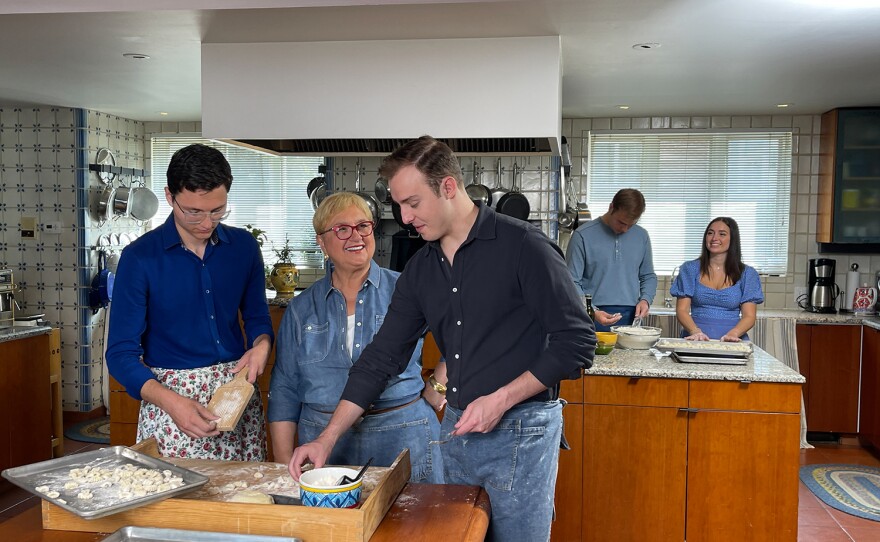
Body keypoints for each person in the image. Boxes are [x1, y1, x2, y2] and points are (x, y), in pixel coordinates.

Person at [288, 136, 595, 542]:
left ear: (448, 187)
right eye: (398, 205)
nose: (404, 216)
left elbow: (576, 344)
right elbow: (382, 357)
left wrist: (500, 399)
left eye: (412, 203)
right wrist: (326, 439)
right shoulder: (421, 270)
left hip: (521, 429)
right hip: (458, 428)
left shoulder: (525, 247)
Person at [106, 143, 274, 460]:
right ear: (170, 197)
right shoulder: (140, 258)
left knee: (244, 502)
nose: (207, 223)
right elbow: (120, 354)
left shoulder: (243, 247)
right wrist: (172, 402)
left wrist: (262, 344)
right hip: (172, 406)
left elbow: (257, 319)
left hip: (236, 400)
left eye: (217, 210)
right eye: (193, 211)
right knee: (179, 507)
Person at [268, 192, 444, 483]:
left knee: (416, 527)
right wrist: (283, 464)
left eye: (363, 226)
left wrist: (439, 385)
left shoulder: (407, 288)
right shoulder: (302, 308)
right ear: (321, 242)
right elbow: (285, 387)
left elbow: (462, 335)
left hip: (404, 435)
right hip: (325, 444)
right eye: (342, 229)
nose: (357, 236)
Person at [565, 188, 657, 331]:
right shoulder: (582, 235)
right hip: (591, 315)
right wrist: (592, 310)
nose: (625, 229)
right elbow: (570, 281)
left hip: (630, 317)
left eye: (631, 225)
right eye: (621, 222)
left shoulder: (642, 236)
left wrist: (645, 299)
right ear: (611, 207)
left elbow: (648, 276)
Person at [670, 216, 764, 341]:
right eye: (710, 233)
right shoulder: (689, 269)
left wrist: (734, 333)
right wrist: (695, 331)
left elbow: (749, 316)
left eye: (722, 234)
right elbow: (682, 310)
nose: (714, 238)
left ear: (733, 239)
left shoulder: (748, 274)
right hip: (695, 339)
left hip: (733, 340)